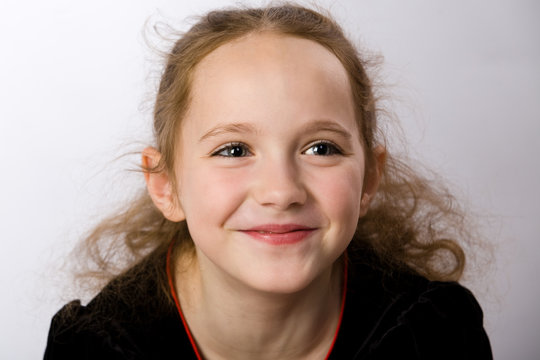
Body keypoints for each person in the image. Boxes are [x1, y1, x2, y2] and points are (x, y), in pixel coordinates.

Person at [44, 3, 492, 359]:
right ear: (166, 186)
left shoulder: (432, 333)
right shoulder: (95, 347)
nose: (281, 192)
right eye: (234, 151)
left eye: (321, 148)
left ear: (369, 178)